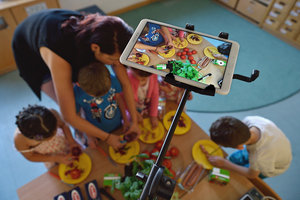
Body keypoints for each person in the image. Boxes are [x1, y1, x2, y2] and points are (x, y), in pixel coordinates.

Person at [12, 9, 139, 150]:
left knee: (80, 88)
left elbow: (125, 84)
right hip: (31, 51)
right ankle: (81, 132)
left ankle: (86, 127)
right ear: (95, 48)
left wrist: (134, 121)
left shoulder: (113, 31)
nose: (116, 64)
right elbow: (69, 116)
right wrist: (107, 137)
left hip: (56, 28)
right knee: (68, 101)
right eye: (111, 59)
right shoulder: (60, 55)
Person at [202, 116, 292, 179]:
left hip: (274, 164)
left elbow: (252, 175)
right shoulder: (250, 120)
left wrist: (224, 163)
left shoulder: (259, 159)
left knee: (239, 176)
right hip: (272, 142)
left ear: (240, 147)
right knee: (233, 159)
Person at [74, 62, 130, 148]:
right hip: (96, 132)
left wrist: (125, 119)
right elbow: (78, 117)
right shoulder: (77, 94)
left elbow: (119, 98)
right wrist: (89, 136)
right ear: (78, 84)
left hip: (118, 125)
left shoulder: (112, 80)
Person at [14, 105, 81, 168]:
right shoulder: (20, 140)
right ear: (38, 138)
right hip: (50, 159)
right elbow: (30, 156)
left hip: (66, 144)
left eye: (56, 129)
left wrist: (71, 141)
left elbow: (63, 125)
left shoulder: (52, 114)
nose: (55, 134)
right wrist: (55, 158)